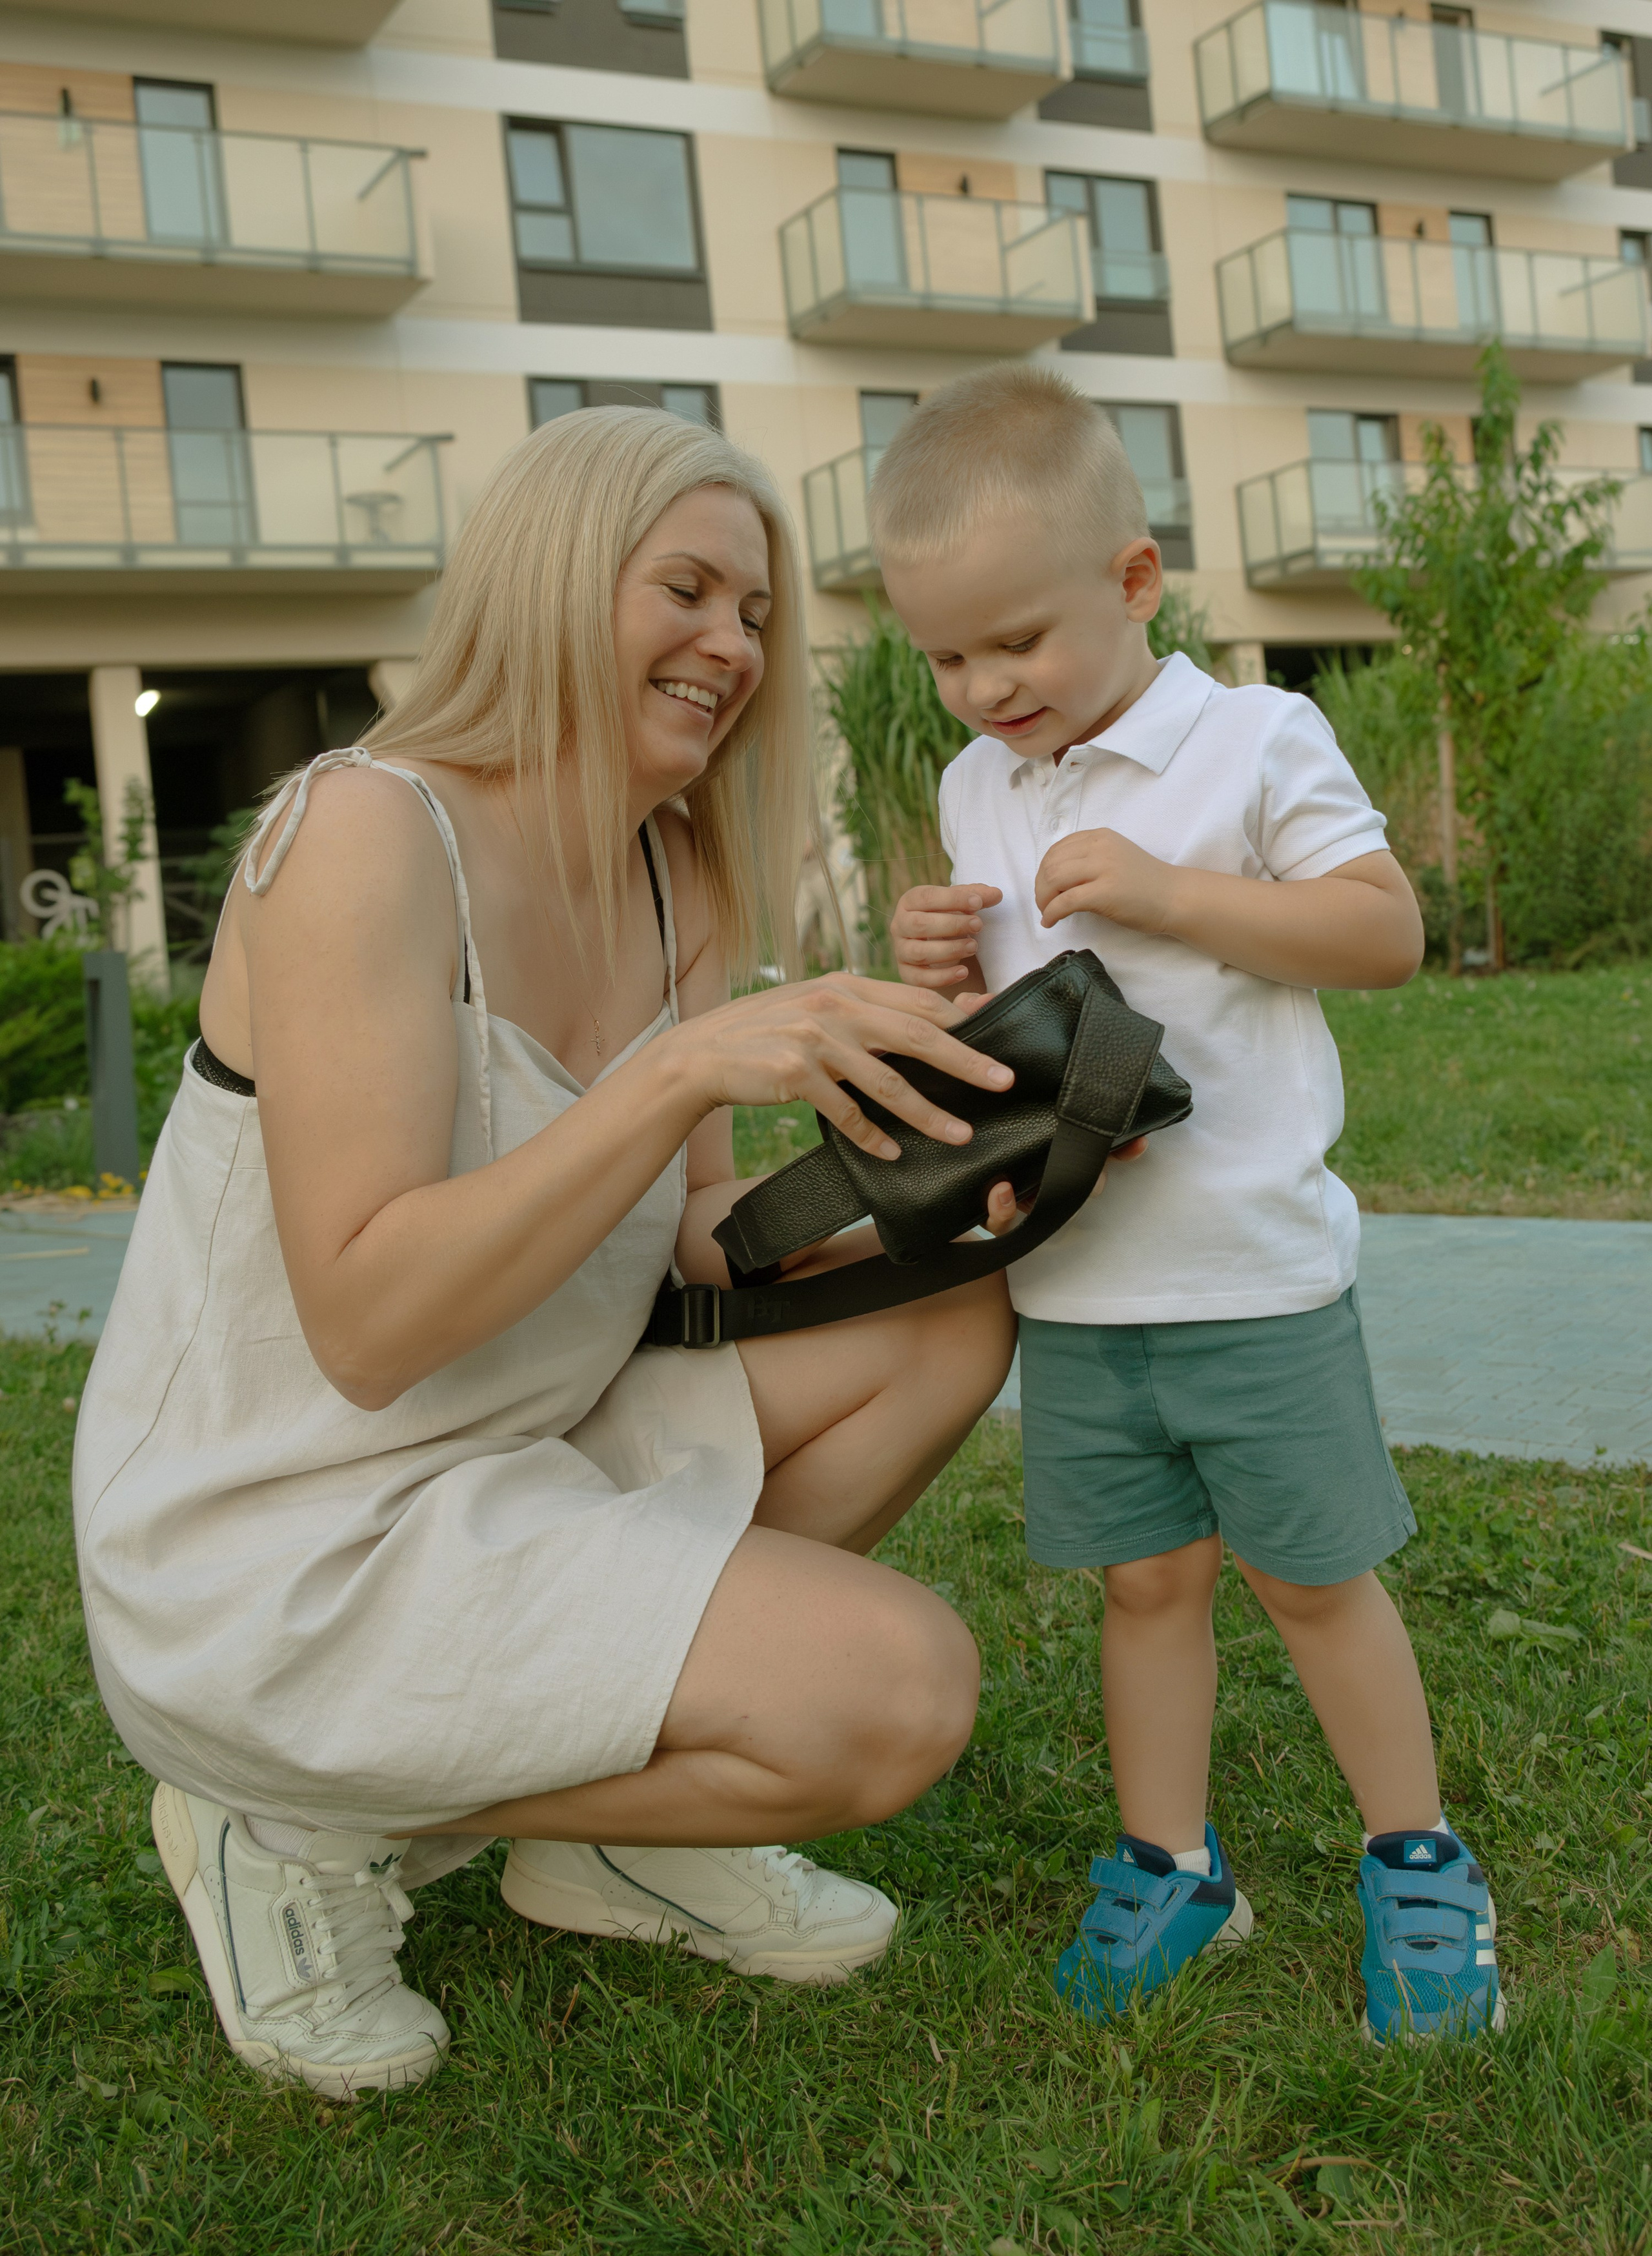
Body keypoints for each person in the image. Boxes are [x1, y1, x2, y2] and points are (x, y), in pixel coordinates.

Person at [72, 407, 1022, 2100]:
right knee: (897, 1694)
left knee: (951, 1321)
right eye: (690, 591)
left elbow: (697, 1241)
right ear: (562, 582)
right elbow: (367, 1321)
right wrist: (675, 1071)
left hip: (514, 1460)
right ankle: (280, 1822)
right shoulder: (366, 835)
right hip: (287, 1545)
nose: (733, 647)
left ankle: (601, 1839)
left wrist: (942, 1177)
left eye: (757, 614)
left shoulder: (678, 874)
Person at [874, 365, 1501, 2045]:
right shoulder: (973, 789)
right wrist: (940, 969)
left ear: (1136, 581)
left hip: (1251, 1276)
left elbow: (1381, 933)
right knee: (1147, 1587)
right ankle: (1174, 1868)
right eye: (947, 657)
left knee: (1312, 1583)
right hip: (1078, 1286)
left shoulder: (1251, 739)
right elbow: (1005, 1039)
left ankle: (1420, 1864)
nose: (986, 685)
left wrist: (1176, 893)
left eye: (1018, 639)